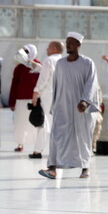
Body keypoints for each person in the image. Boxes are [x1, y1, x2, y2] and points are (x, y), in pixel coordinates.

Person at [39, 32, 100, 179]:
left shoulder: (87, 63)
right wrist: (56, 105)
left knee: (82, 137)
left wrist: (85, 101)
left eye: (71, 42)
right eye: (67, 42)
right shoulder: (60, 64)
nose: (68, 45)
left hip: (81, 109)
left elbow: (92, 84)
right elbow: (56, 85)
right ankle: (52, 168)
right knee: (56, 136)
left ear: (78, 44)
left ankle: (85, 168)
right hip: (62, 107)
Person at [29, 41, 64, 159]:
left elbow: (43, 79)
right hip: (59, 95)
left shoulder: (49, 60)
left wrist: (35, 92)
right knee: (56, 123)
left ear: (54, 48)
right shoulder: (64, 61)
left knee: (43, 122)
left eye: (48, 48)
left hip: (47, 95)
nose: (47, 50)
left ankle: (37, 151)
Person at [9, 44, 40, 152]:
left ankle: (37, 146)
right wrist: (12, 102)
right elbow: (14, 85)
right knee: (19, 123)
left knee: (35, 123)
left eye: (26, 51)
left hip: (34, 100)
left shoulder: (38, 66)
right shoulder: (19, 68)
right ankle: (20, 143)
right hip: (20, 100)